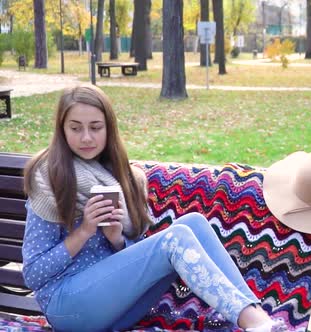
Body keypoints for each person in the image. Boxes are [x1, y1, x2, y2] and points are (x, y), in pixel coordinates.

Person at [22, 84, 285, 332]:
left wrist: (116, 239)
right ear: (62, 130)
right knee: (176, 239)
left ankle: (257, 316)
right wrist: (84, 232)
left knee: (192, 223)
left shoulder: (124, 177)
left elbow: (133, 261)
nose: (86, 137)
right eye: (76, 128)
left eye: (95, 127)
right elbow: (33, 274)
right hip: (68, 310)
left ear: (108, 129)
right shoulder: (49, 179)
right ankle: (256, 324)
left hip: (119, 310)